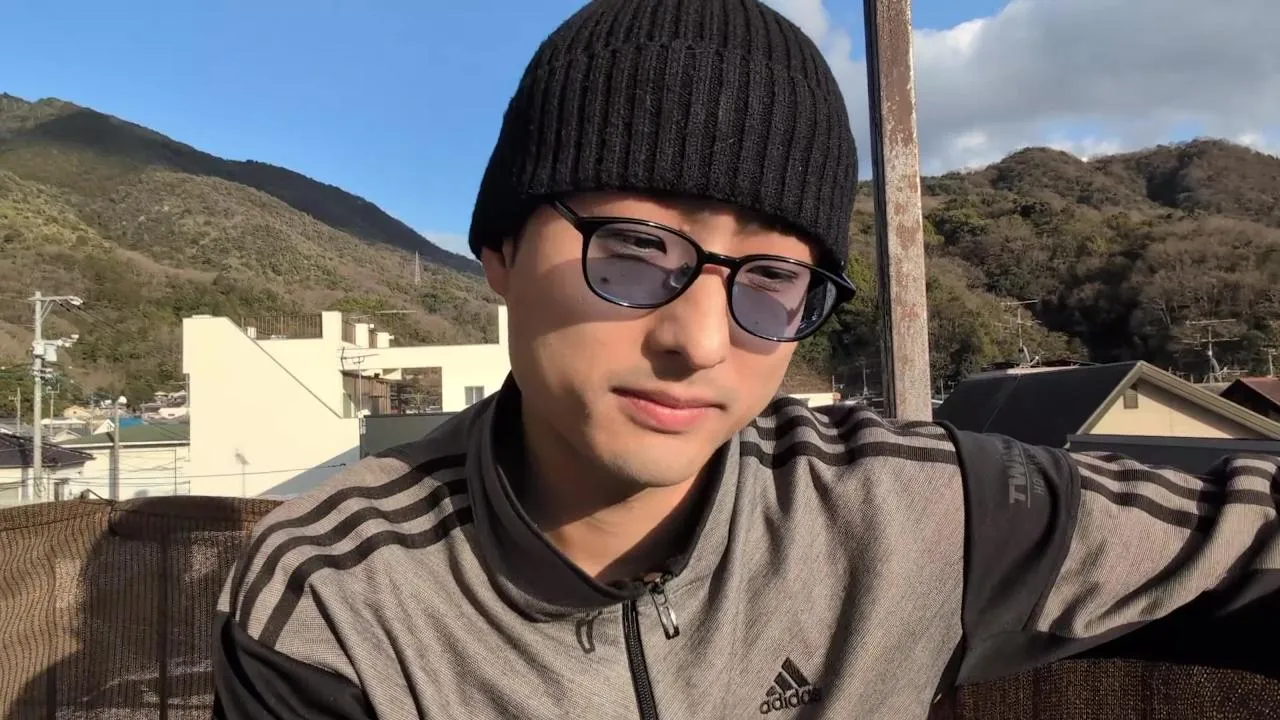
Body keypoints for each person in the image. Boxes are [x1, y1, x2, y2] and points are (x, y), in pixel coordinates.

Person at [211, 0, 1280, 718]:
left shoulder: (899, 513)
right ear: (498, 253)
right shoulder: (342, 594)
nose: (699, 339)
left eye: (770, 277)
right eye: (632, 249)